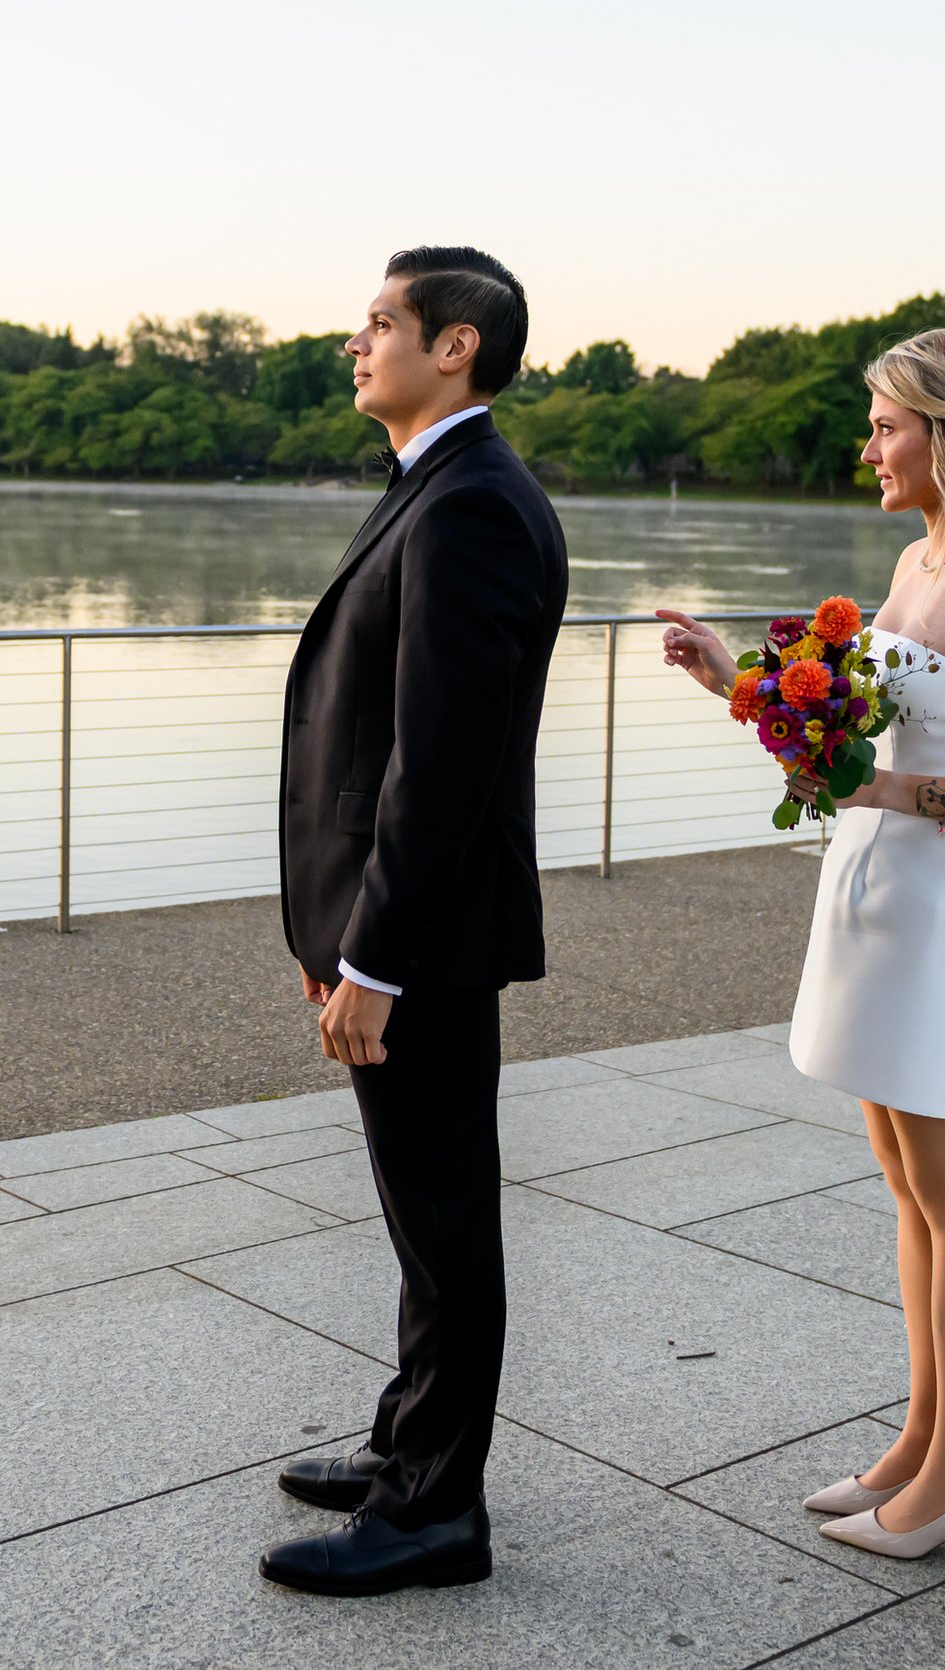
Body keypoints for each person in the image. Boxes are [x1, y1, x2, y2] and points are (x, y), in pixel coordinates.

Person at [656, 328, 945, 1559]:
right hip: (883, 906)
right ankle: (922, 1436)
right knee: (911, 1191)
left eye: (886, 426)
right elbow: (864, 732)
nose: (867, 449)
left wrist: (892, 800)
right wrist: (731, 680)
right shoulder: (915, 561)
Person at [264, 246, 568, 1597]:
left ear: (456, 346)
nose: (356, 342)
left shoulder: (473, 507)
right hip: (394, 922)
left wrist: (374, 959)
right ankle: (408, 1444)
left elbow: (441, 763)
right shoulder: (435, 486)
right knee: (419, 1211)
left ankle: (439, 1509)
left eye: (380, 322)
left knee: (445, 1221)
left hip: (424, 935)